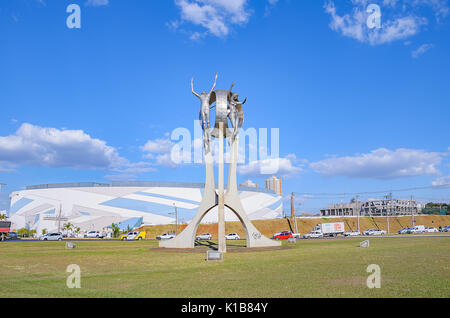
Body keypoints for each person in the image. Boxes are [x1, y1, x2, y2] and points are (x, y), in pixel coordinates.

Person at [191, 74, 217, 153]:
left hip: (207, 108)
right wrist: (191, 84)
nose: (203, 92)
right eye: (203, 92)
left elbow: (213, 86)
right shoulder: (200, 96)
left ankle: (209, 137)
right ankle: (205, 136)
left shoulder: (208, 95)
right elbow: (193, 92)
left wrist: (215, 79)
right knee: (204, 123)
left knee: (208, 123)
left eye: (204, 92)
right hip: (202, 108)